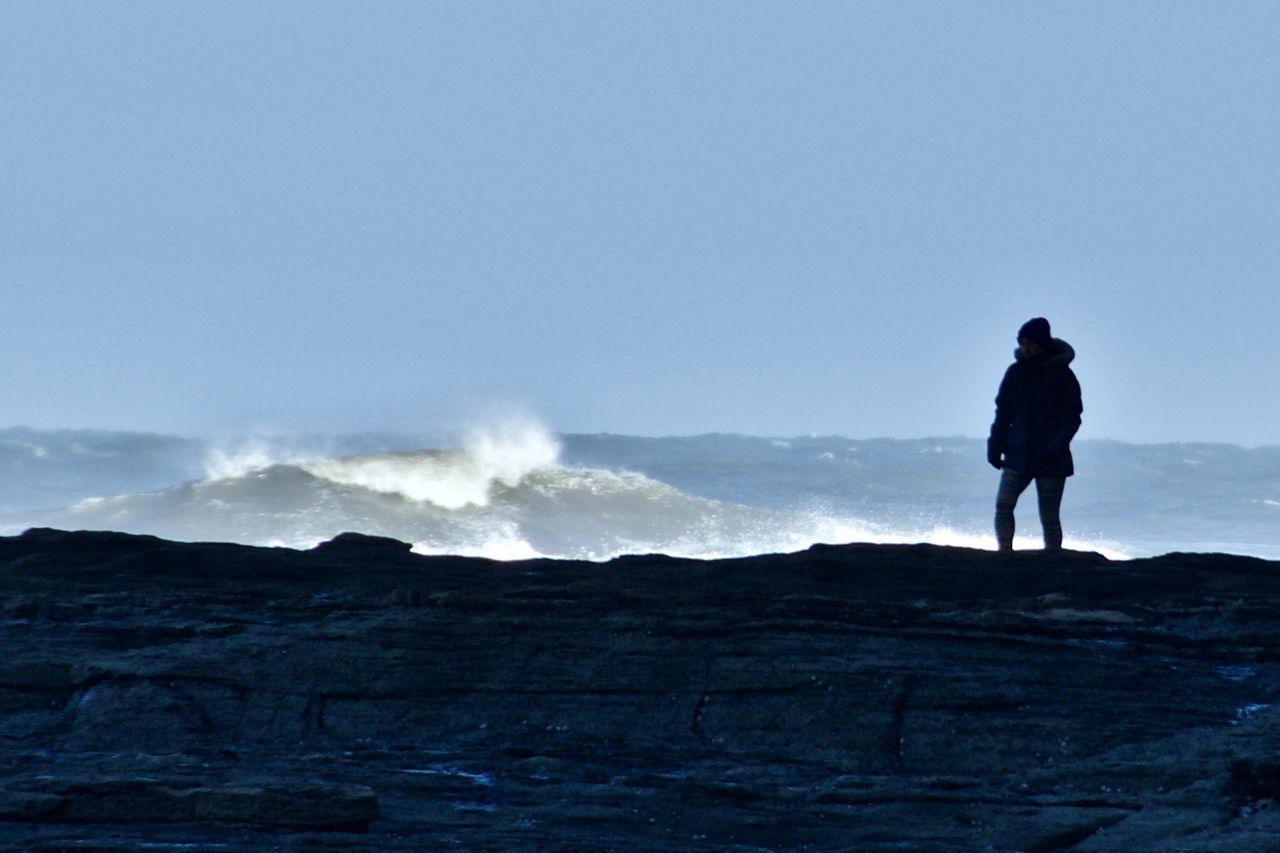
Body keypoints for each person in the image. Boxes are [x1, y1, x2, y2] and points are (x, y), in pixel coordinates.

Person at [987, 317, 1083, 551]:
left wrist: (1056, 445)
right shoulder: (1015, 373)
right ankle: (1004, 553)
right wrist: (995, 445)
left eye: (1030, 342)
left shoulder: (1063, 375)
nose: (1025, 347)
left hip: (1052, 458)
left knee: (1049, 517)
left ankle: (1052, 558)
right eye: (1022, 342)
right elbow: (1003, 413)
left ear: (1043, 343)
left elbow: (1073, 416)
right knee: (1003, 505)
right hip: (1018, 452)